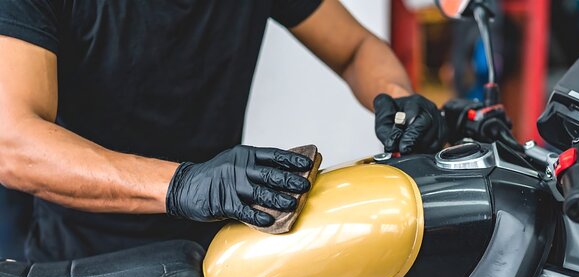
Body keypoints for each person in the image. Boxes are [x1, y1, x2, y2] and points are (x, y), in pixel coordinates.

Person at [0, 0, 446, 262]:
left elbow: (355, 49)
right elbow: (13, 143)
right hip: (83, 263)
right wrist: (181, 183)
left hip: (216, 254)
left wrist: (396, 97)